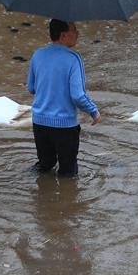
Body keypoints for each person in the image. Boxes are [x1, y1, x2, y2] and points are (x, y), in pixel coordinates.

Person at [27, 19, 100, 177]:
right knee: (68, 173)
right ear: (64, 35)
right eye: (74, 30)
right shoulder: (73, 58)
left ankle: (40, 198)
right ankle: (65, 201)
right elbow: (78, 95)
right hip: (64, 127)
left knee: (45, 166)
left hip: (39, 123)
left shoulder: (38, 54)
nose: (78, 34)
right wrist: (93, 111)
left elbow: (31, 88)